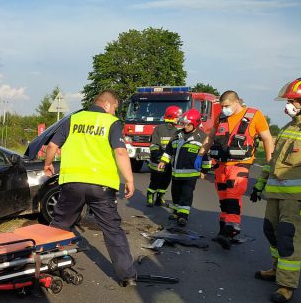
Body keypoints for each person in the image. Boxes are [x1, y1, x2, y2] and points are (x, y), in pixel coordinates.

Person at [43, 90, 137, 287]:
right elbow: (120, 151)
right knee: (112, 229)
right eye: (115, 109)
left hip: (73, 183)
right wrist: (129, 179)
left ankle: (47, 263)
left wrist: (48, 164)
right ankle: (127, 275)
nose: (114, 113)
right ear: (108, 105)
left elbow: (52, 145)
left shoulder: (73, 119)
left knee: (61, 224)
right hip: (101, 186)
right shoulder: (111, 123)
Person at [200, 90, 274, 249]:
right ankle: (222, 231)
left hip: (240, 164)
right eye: (222, 106)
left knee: (233, 196)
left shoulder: (254, 115)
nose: (224, 109)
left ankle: (231, 230)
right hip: (221, 165)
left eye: (226, 106)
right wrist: (200, 154)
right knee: (224, 199)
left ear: (236, 102)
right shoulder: (221, 117)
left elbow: (267, 138)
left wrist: (269, 162)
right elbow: (211, 136)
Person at [253, 78, 301, 303]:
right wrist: (260, 183)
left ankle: (286, 284)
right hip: (275, 192)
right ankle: (276, 269)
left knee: (288, 237)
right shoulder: (289, 127)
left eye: (293, 100)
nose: (289, 105)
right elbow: (273, 162)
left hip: (295, 198)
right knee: (270, 230)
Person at [158, 109, 211, 226]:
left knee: (186, 195)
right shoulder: (177, 134)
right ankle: (177, 212)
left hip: (191, 174)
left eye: (188, 124)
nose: (185, 126)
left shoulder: (202, 137)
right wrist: (163, 160)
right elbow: (169, 150)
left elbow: (206, 156)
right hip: (176, 173)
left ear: (195, 124)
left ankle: (183, 217)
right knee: (175, 194)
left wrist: (204, 170)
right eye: (184, 123)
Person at [147, 105, 182, 206]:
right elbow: (154, 146)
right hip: (157, 162)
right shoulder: (159, 129)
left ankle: (159, 198)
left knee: (166, 182)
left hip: (170, 163)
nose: (178, 119)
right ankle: (150, 196)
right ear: (171, 117)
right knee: (155, 181)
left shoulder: (178, 131)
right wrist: (160, 159)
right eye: (177, 117)